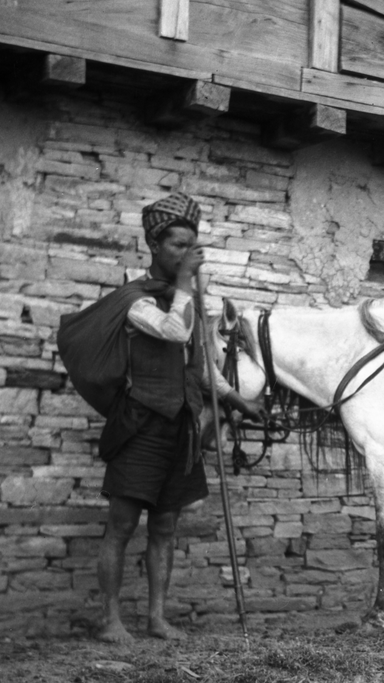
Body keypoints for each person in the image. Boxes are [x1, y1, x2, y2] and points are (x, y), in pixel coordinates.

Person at [95, 193, 261, 644]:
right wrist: (188, 284)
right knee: (123, 525)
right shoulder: (133, 298)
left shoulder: (185, 296)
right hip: (140, 424)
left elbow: (202, 362)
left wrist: (235, 399)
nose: (187, 256)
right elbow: (175, 332)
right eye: (178, 247)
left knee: (165, 526)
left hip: (181, 427)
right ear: (154, 246)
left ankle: (156, 618)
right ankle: (109, 620)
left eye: (192, 247)